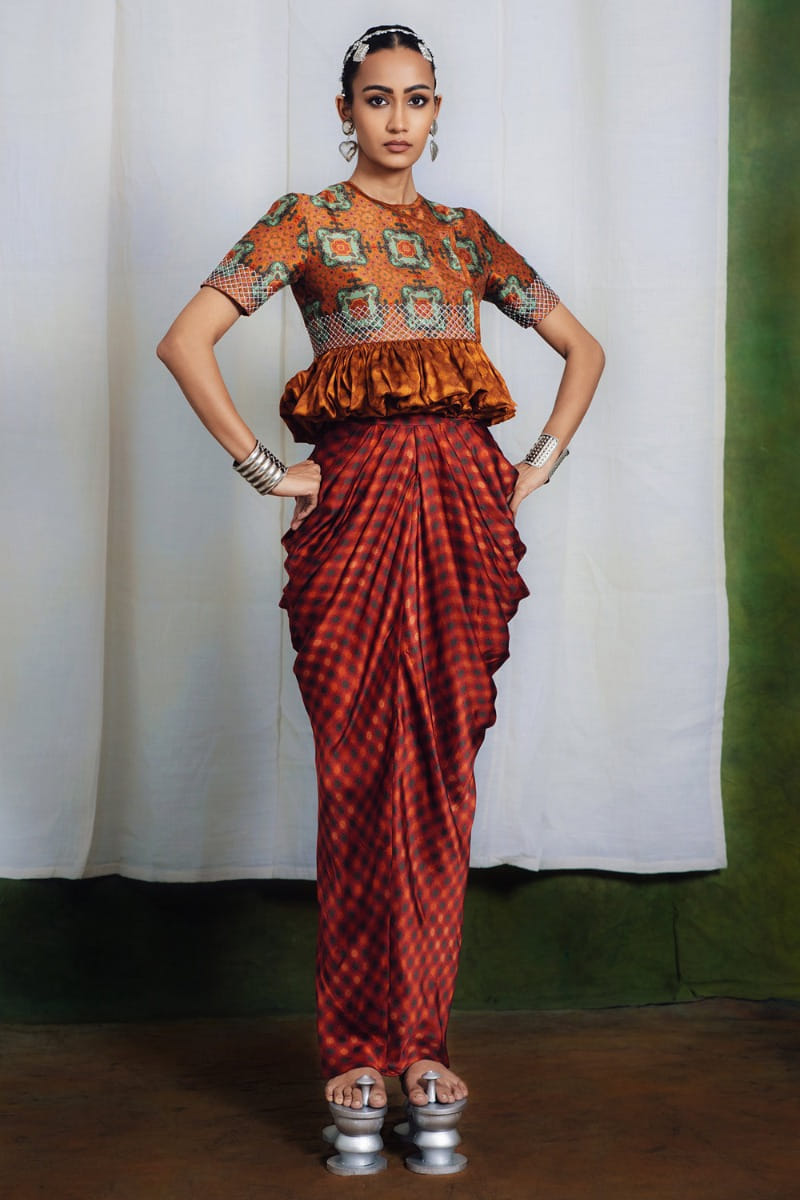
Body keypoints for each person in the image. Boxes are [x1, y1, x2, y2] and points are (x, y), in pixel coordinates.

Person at [157, 24, 604, 1120]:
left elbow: (583, 349)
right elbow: (184, 340)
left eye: (415, 98)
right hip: (354, 513)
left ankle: (421, 1046)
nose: (396, 119)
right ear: (345, 109)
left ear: (438, 112)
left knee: (442, 765)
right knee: (358, 766)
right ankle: (354, 1048)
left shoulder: (464, 235)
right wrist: (268, 470)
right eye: (376, 98)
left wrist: (538, 461)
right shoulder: (304, 221)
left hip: (461, 508)